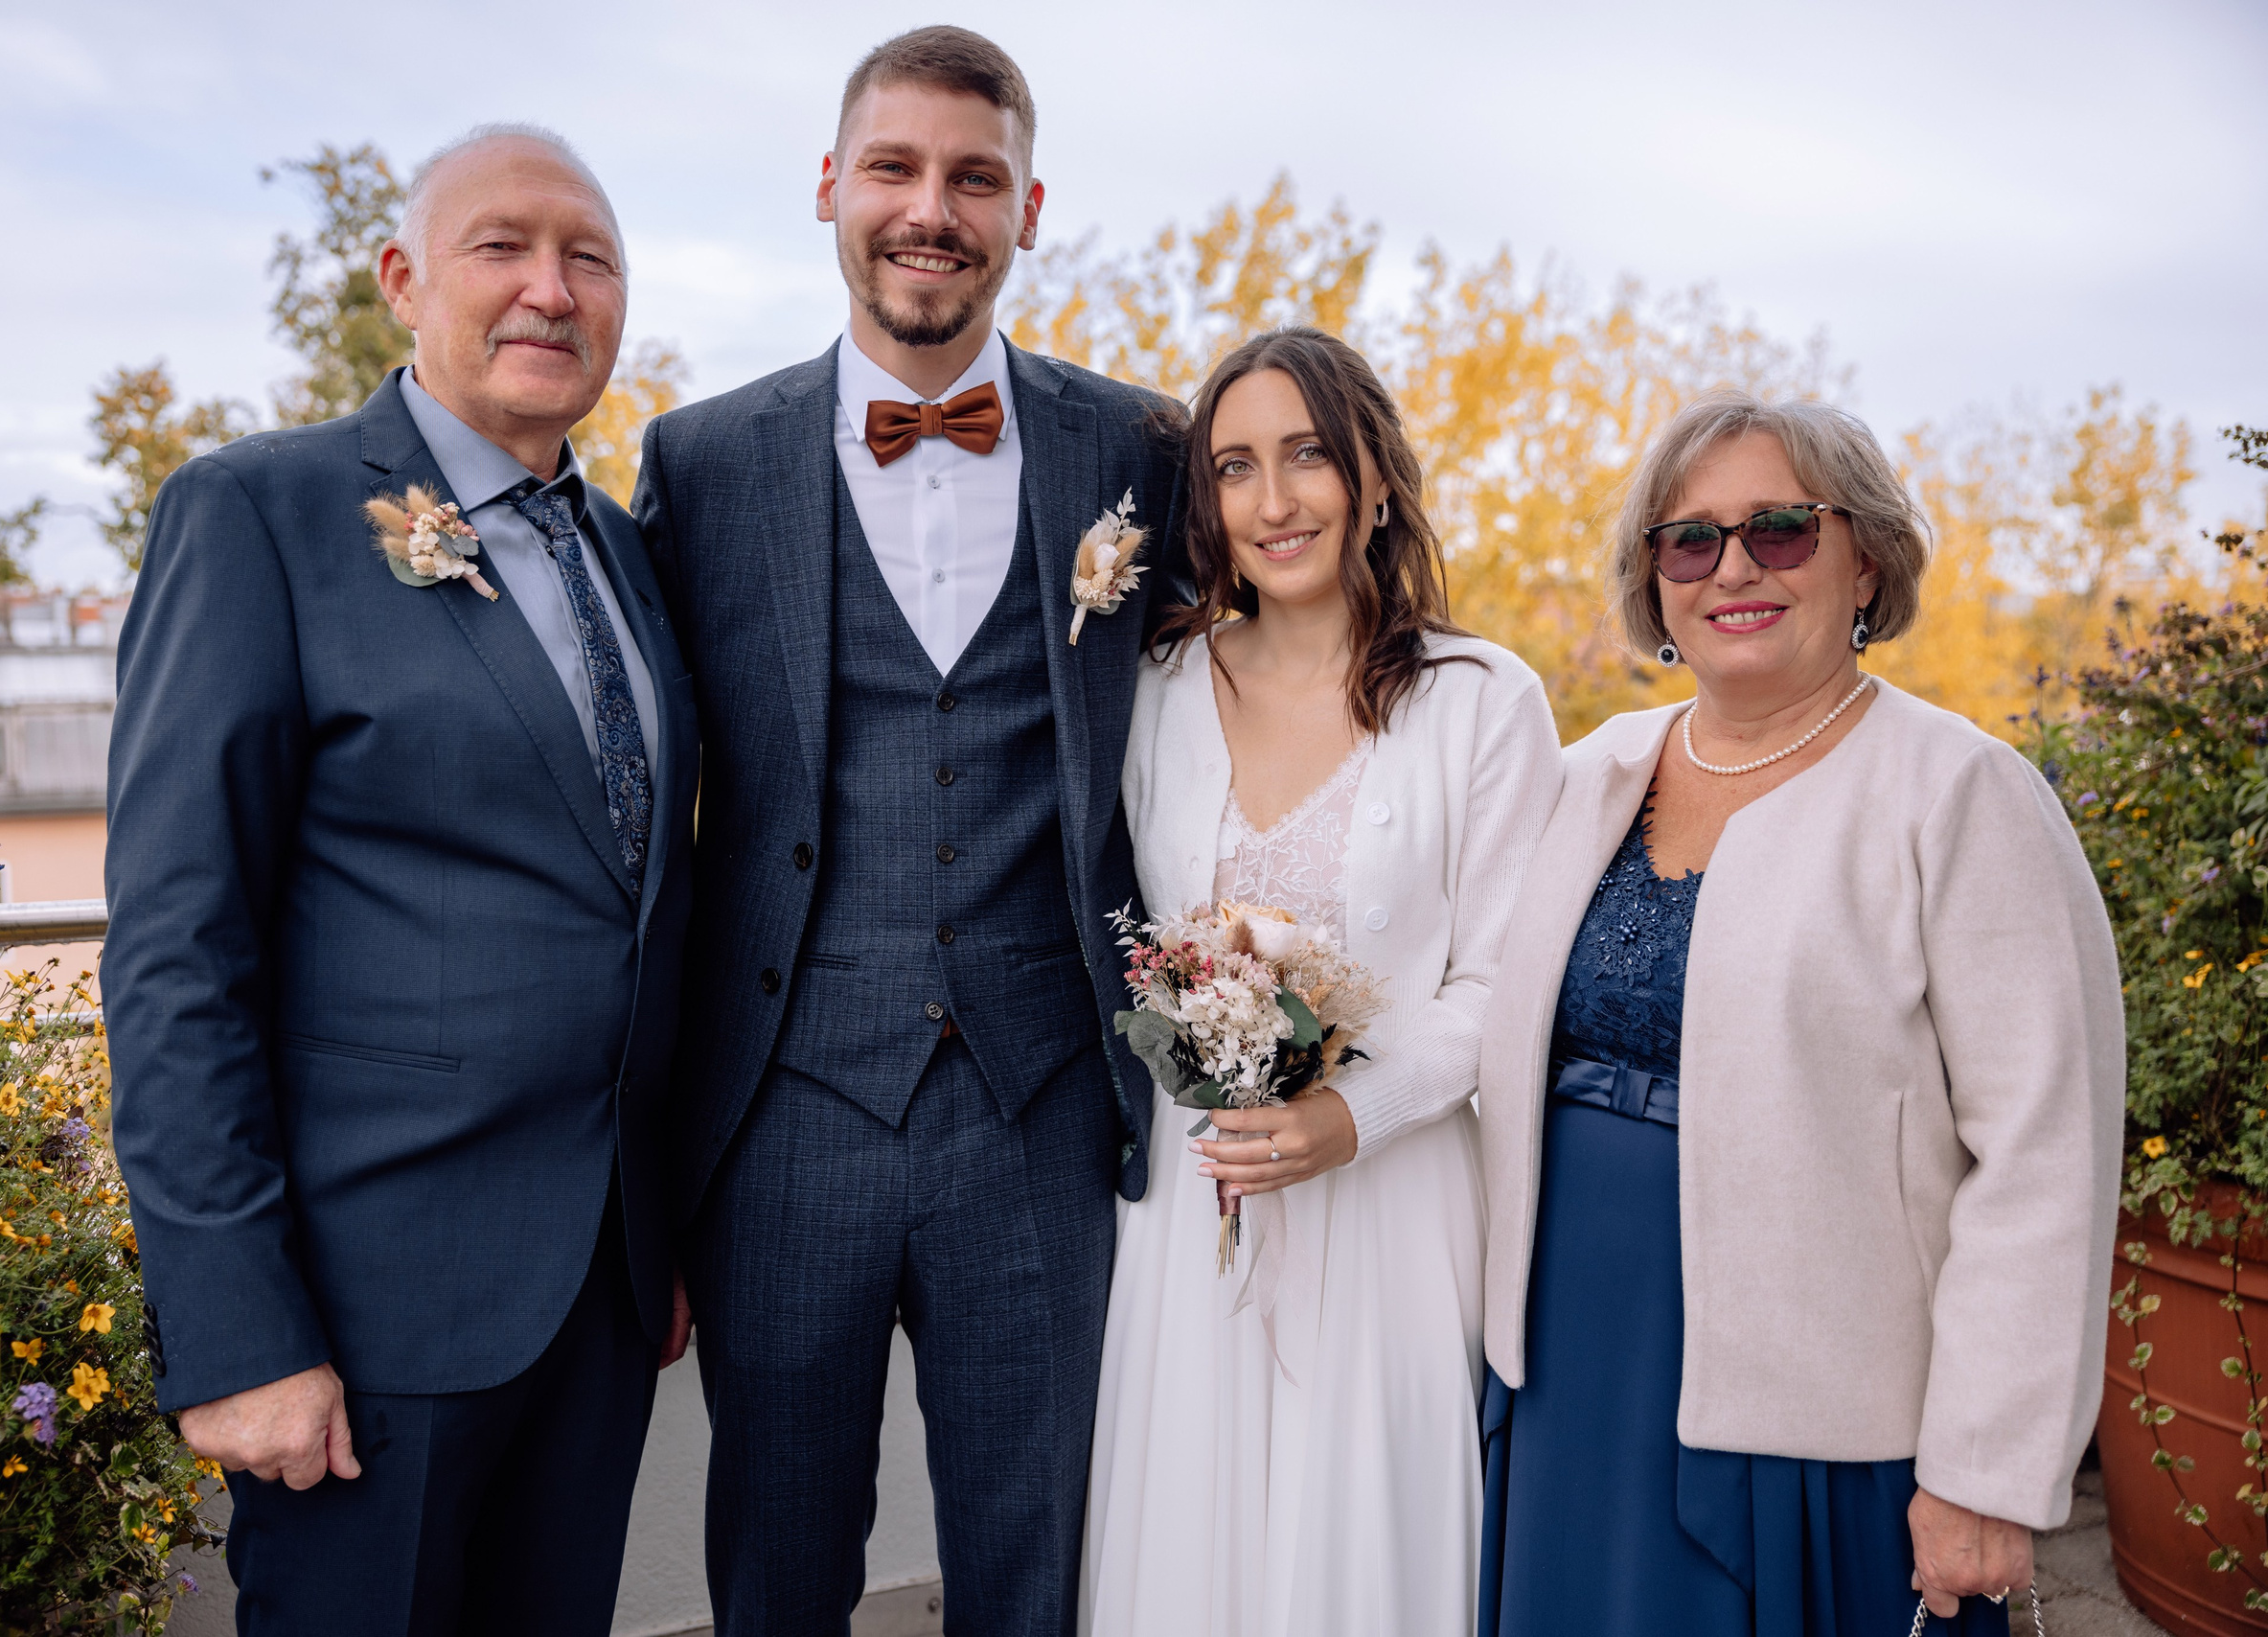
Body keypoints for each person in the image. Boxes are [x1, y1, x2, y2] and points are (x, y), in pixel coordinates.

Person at [104, 125, 698, 1633]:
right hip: (362, 1326)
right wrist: (237, 1331)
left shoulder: (627, 554)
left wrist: (663, 1232)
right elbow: (179, 949)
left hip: (597, 1308)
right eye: (503, 247)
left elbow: (639, 912)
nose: (550, 292)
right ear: (401, 279)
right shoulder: (258, 515)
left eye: (592, 258)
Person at [630, 27, 1180, 1637]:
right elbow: (644, 793)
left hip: (1047, 1110)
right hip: (782, 1113)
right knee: (779, 1564)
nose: (929, 208)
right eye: (895, 167)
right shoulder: (703, 459)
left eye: (972, 178)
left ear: (1025, 210)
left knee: (1040, 1563)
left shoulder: (1134, 447)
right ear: (830, 186)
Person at [1474, 389, 2125, 1635]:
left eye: (1779, 531)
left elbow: (2045, 1153)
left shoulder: (1963, 794)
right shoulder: (1588, 772)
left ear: (1864, 556)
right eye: (1690, 539)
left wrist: (1985, 1472)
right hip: (1566, 1380)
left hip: (1819, 1421)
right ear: (1653, 574)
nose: (1732, 570)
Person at [1086, 327, 1562, 1637]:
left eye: (1306, 456)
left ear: (1375, 478)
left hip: (1395, 1203)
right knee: (1191, 1542)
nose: (1273, 499)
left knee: (1364, 1550)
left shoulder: (1481, 699)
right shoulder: (1160, 688)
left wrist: (1345, 1117)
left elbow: (1503, 984)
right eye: (1235, 467)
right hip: (1199, 1205)